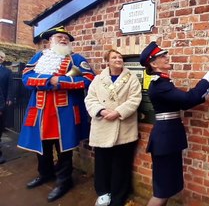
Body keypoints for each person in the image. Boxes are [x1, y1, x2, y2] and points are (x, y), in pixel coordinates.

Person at [18, 26, 95, 202]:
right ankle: (45, 174)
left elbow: (89, 79)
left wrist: (60, 81)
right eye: (59, 37)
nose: (63, 40)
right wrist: (47, 80)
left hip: (64, 113)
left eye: (65, 38)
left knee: (64, 150)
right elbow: (25, 78)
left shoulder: (75, 59)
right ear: (50, 41)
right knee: (41, 148)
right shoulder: (39, 57)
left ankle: (64, 181)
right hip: (41, 112)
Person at [139, 41, 209, 206]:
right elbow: (186, 99)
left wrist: (204, 94)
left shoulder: (163, 83)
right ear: (154, 64)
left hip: (168, 139)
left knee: (167, 188)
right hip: (165, 141)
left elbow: (182, 102)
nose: (166, 57)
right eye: (162, 56)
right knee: (162, 191)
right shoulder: (159, 85)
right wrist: (206, 78)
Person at [85, 49, 142, 206]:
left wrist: (118, 112)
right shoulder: (98, 79)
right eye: (114, 57)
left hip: (123, 127)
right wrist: (101, 111)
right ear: (107, 61)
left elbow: (134, 99)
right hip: (103, 126)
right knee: (102, 162)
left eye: (120, 57)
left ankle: (118, 197)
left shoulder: (132, 79)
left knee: (121, 164)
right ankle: (103, 193)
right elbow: (90, 99)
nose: (118, 59)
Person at [0, 50, 13, 164]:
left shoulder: (7, 72)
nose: (0, 58)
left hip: (1, 103)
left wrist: (9, 99)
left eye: (2, 57)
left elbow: (10, 87)